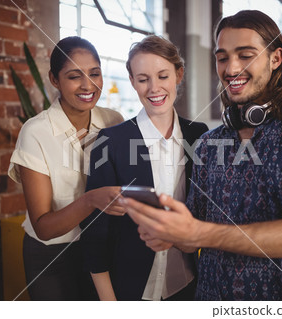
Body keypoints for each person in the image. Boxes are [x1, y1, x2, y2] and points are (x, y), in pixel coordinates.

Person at [121, 10, 282, 301]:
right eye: (222, 57)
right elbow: (192, 237)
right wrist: (172, 233)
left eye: (245, 55)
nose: (231, 68)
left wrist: (199, 233)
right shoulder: (209, 144)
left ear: (275, 58)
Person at [80, 35, 209, 301]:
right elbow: (95, 230)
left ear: (178, 75)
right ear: (132, 82)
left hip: (187, 286)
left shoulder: (200, 136)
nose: (154, 88)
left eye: (163, 76)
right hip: (129, 291)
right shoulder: (110, 141)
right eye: (143, 79)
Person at [8, 36, 124, 300]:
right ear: (54, 79)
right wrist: (92, 200)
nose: (88, 85)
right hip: (53, 257)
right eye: (75, 76)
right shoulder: (36, 131)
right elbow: (44, 227)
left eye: (95, 73)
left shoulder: (113, 121)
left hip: (103, 249)